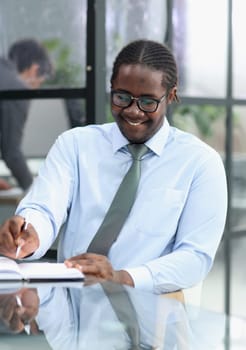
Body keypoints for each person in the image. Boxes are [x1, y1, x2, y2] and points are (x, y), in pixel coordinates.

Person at [0, 39, 227, 294]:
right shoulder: (75, 145)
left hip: (149, 314)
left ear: (171, 96)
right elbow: (44, 208)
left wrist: (121, 277)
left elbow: (196, 257)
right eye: (122, 97)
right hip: (70, 308)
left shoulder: (200, 163)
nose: (133, 111)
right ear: (111, 89)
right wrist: (30, 232)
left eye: (148, 102)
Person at [0, 38, 53, 191]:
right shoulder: (16, 88)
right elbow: (11, 153)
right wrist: (34, 191)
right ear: (35, 70)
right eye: (40, 82)